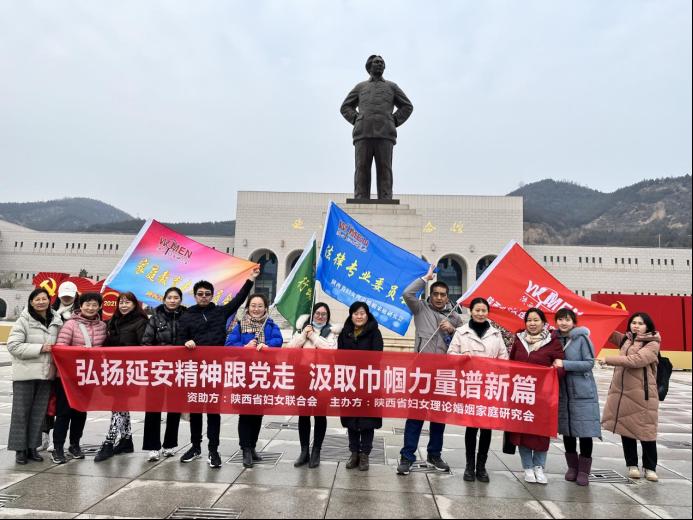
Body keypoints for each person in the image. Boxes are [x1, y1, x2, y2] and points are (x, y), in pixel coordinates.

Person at [177, 269, 259, 469]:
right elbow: (179, 338)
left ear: (212, 295)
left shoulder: (220, 312)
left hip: (214, 370)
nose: (204, 297)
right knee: (195, 410)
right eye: (200, 294)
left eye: (207, 294)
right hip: (195, 370)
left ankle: (213, 450)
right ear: (195, 296)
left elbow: (239, 299)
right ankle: (195, 447)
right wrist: (186, 342)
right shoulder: (187, 316)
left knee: (213, 411)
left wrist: (250, 280)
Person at [397, 265, 462, 475]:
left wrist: (452, 330)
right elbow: (407, 293)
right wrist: (425, 278)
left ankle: (434, 455)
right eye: (436, 294)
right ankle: (407, 456)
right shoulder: (420, 309)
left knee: (438, 417)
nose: (439, 298)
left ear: (447, 297)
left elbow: (462, 343)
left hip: (443, 374)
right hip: (421, 373)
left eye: (443, 295)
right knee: (415, 415)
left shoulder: (455, 317)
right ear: (431, 295)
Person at [448, 297, 509, 483]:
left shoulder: (496, 334)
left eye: (484, 310)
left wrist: (495, 367)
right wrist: (461, 357)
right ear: (471, 311)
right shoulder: (461, 332)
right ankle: (469, 466)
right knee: (471, 427)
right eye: (477, 310)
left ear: (488, 312)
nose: (480, 314)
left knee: (486, 427)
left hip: (489, 385)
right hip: (470, 385)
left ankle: (481, 466)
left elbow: (504, 359)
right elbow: (450, 356)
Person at [340, 55, 413, 200]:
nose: (379, 64)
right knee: (362, 167)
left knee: (385, 168)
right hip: (363, 132)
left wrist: (394, 120)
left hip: (385, 133)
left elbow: (407, 106)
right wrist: (356, 119)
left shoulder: (392, 87)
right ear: (369, 67)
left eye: (381, 63)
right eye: (376, 62)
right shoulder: (360, 87)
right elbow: (345, 107)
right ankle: (360, 197)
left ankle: (385, 198)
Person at [600, 312, 661, 482]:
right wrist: (602, 319)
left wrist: (609, 359)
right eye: (633, 323)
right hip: (623, 393)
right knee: (626, 429)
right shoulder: (626, 339)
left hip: (643, 394)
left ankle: (650, 467)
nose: (636, 326)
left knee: (646, 431)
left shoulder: (652, 343)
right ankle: (632, 465)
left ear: (647, 326)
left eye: (640, 323)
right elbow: (608, 333)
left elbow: (637, 360)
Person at [225, 293, 283, 468]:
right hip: (244, 376)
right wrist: (244, 347)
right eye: (253, 305)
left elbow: (278, 340)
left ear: (265, 308)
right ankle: (245, 449)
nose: (256, 309)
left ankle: (253, 446)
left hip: (263, 375)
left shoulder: (270, 325)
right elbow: (229, 345)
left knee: (258, 413)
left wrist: (268, 346)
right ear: (248, 307)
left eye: (260, 306)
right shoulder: (240, 326)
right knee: (245, 413)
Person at [508, 307, 564, 484]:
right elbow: (510, 364)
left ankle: (539, 467)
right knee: (522, 432)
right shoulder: (519, 340)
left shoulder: (552, 342)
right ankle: (527, 468)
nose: (532, 323)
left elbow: (561, 369)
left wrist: (556, 369)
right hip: (521, 394)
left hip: (543, 397)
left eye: (536, 320)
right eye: (529, 320)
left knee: (540, 432)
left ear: (543, 323)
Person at [7, 288, 63, 464]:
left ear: (49, 300)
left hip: (46, 375)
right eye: (37, 299)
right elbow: (13, 346)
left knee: (39, 413)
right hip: (25, 375)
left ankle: (32, 447)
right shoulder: (23, 320)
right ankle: (20, 449)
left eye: (44, 298)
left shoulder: (56, 321)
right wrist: (40, 348)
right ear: (31, 302)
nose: (41, 302)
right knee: (21, 413)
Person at [52, 292, 107, 464]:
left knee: (80, 412)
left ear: (99, 307)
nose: (90, 308)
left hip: (87, 377)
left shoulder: (102, 326)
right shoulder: (71, 324)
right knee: (63, 413)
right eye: (87, 304)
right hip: (67, 377)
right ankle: (58, 448)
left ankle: (74, 444)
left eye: (94, 305)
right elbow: (60, 347)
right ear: (80, 306)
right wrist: (80, 352)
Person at [94, 292, 149, 462]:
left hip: (129, 370)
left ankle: (109, 442)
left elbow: (143, 346)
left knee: (118, 404)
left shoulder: (141, 321)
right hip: (113, 368)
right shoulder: (113, 321)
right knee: (120, 405)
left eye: (127, 302)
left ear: (134, 304)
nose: (124, 306)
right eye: (121, 302)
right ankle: (126, 440)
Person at [286, 303, 339, 468]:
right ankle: (304, 451)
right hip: (303, 377)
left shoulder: (332, 331)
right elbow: (290, 347)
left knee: (320, 415)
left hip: (322, 378)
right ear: (312, 314)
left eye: (324, 314)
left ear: (327, 316)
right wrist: (304, 334)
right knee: (303, 414)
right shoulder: (302, 328)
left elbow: (330, 349)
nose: (320, 317)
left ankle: (316, 451)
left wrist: (314, 337)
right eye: (317, 313)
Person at [552, 309, 601, 486]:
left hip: (582, 391)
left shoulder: (581, 338)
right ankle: (572, 467)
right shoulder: (553, 338)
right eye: (560, 319)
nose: (563, 323)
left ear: (574, 322)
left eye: (567, 319)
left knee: (585, 431)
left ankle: (584, 470)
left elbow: (589, 363)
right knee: (568, 430)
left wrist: (565, 364)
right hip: (562, 390)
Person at [141, 287, 186, 461]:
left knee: (174, 408)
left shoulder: (187, 317)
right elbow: (146, 343)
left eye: (176, 298)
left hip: (179, 369)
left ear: (180, 300)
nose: (172, 300)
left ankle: (170, 444)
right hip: (158, 369)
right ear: (164, 299)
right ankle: (152, 447)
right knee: (153, 407)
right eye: (169, 297)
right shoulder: (155, 318)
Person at [338, 302, 384, 472]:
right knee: (351, 419)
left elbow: (377, 356)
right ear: (351, 315)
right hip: (349, 382)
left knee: (367, 421)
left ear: (367, 315)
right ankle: (354, 453)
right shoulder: (345, 332)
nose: (359, 316)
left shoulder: (375, 332)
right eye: (356, 313)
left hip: (368, 383)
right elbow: (339, 356)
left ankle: (365, 454)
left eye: (362, 313)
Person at [39, 281, 79, 452]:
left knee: (64, 404)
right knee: (47, 400)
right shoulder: (50, 313)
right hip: (49, 362)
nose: (67, 298)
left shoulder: (80, 313)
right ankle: (44, 436)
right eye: (64, 295)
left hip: (69, 366)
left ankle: (62, 438)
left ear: (75, 295)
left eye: (70, 295)